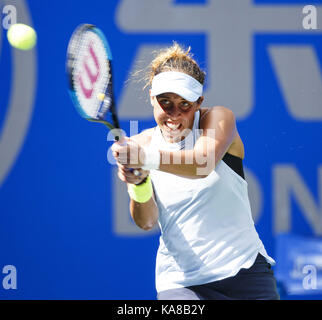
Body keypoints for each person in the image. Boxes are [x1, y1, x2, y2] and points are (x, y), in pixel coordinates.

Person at [111, 43, 279, 300]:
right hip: (181, 283)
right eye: (165, 103)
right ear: (151, 98)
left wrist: (146, 159)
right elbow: (145, 221)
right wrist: (141, 182)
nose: (174, 114)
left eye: (184, 105)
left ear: (199, 102)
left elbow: (202, 164)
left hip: (245, 272)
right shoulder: (142, 144)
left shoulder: (219, 119)